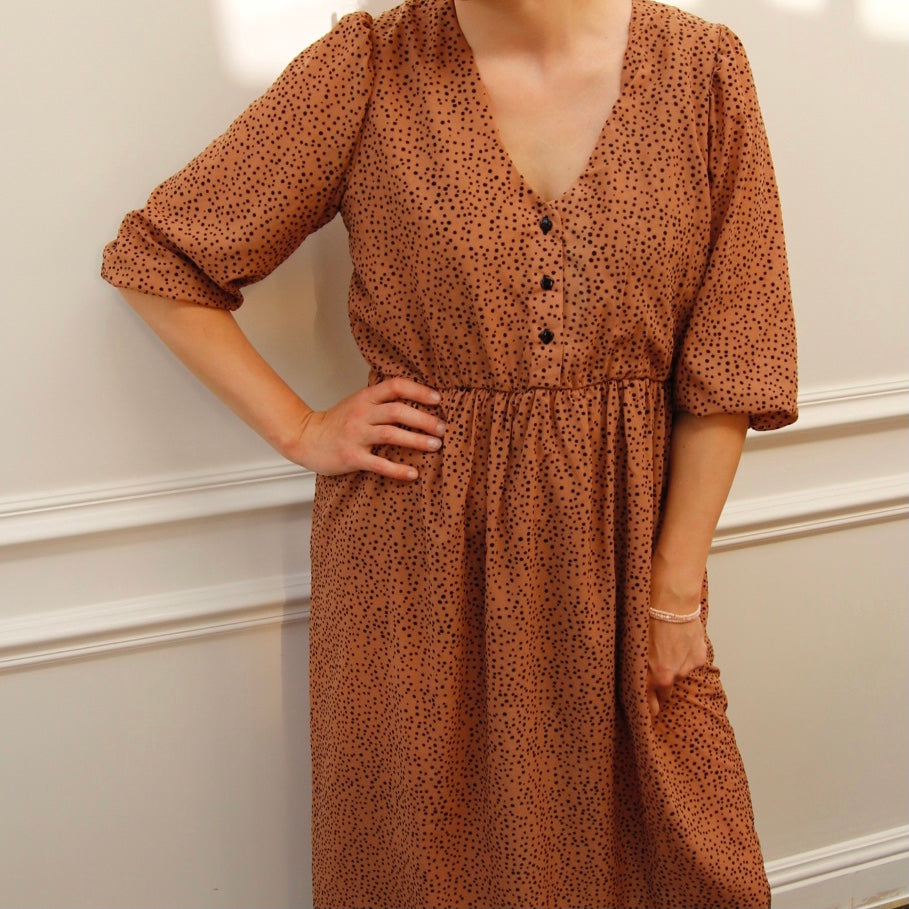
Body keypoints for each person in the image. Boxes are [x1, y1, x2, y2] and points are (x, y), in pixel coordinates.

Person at [102, 0, 798, 905]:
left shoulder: (701, 72)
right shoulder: (370, 65)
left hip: (619, 560)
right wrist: (300, 427)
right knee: (427, 866)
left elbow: (733, 360)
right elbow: (158, 260)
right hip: (412, 559)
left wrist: (673, 595)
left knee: (677, 860)